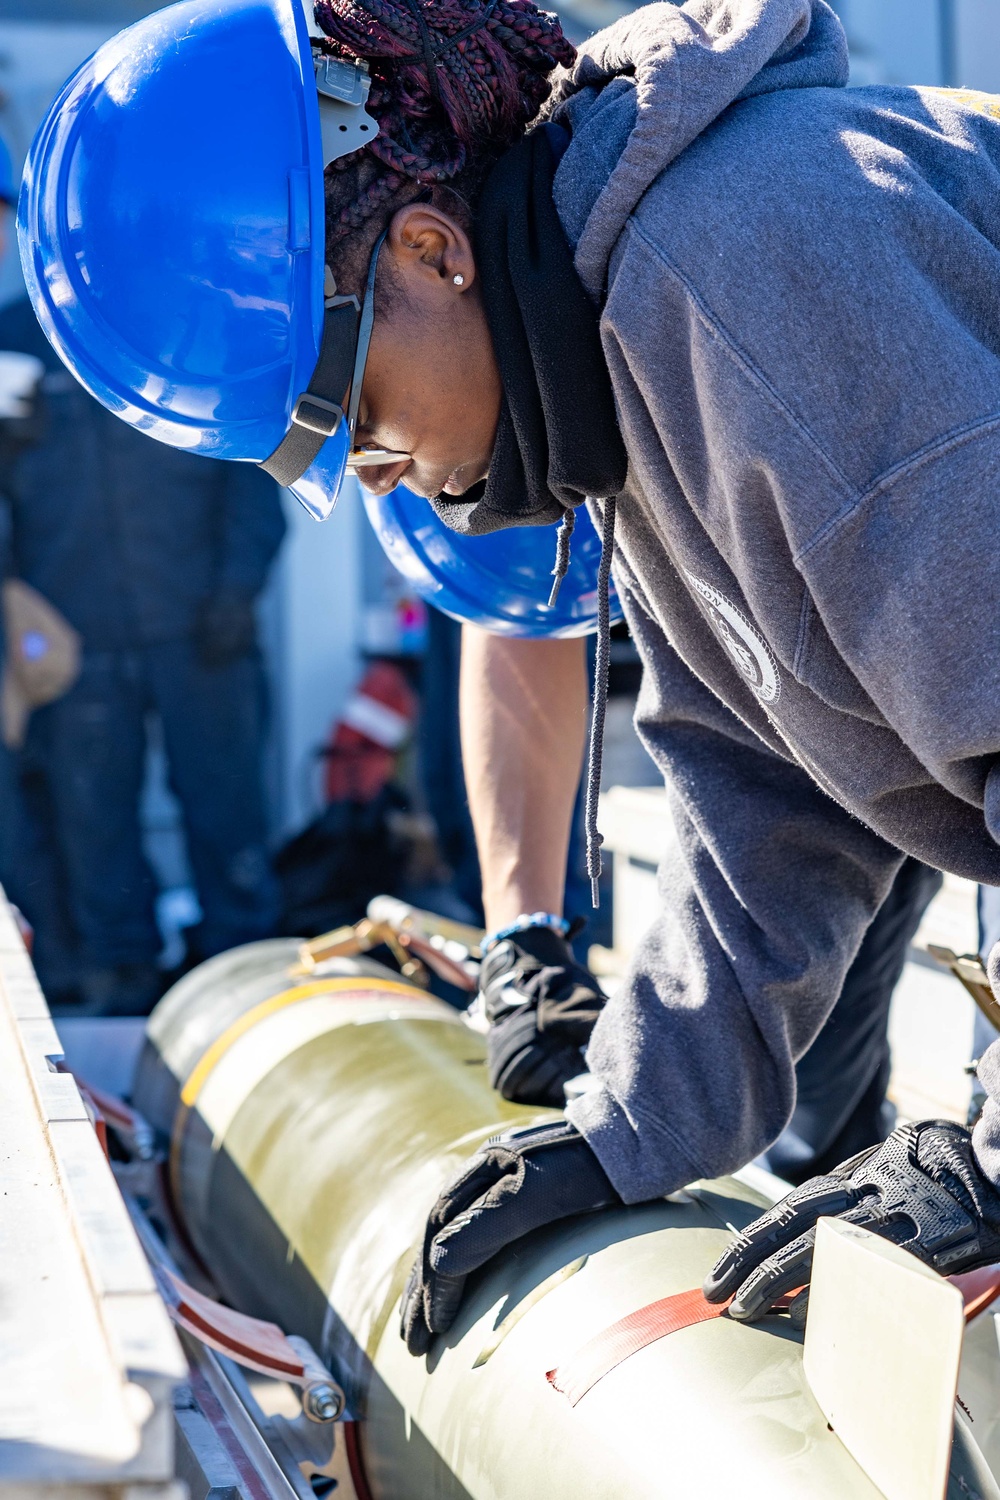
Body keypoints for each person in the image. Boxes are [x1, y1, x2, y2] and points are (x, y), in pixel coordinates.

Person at [21, 0, 1000, 1349]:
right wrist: (625, 1137)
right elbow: (779, 797)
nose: (375, 476)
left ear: (432, 251)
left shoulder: (747, 266)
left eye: (346, 418)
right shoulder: (634, 362)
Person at [0, 294, 286, 1013]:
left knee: (227, 805)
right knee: (94, 817)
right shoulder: (10, 339)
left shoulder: (186, 319)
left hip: (202, 628)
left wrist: (237, 590)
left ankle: (243, 967)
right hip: (76, 637)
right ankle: (121, 978)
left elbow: (252, 468)